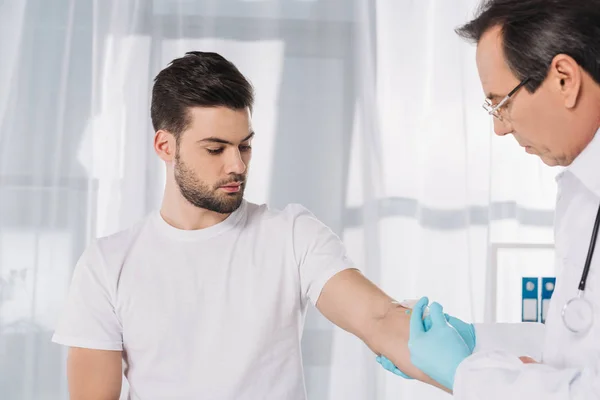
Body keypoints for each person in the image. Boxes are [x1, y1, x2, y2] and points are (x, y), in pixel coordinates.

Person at [51, 51, 454, 399]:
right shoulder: (108, 264)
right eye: (215, 149)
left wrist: (479, 376)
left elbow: (377, 319)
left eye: (245, 145)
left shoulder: (292, 235)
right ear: (165, 146)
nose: (237, 166)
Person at [378, 0, 600, 397]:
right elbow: (576, 348)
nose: (500, 129)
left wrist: (464, 372)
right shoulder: (582, 193)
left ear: (564, 79)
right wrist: (479, 343)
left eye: (502, 103)